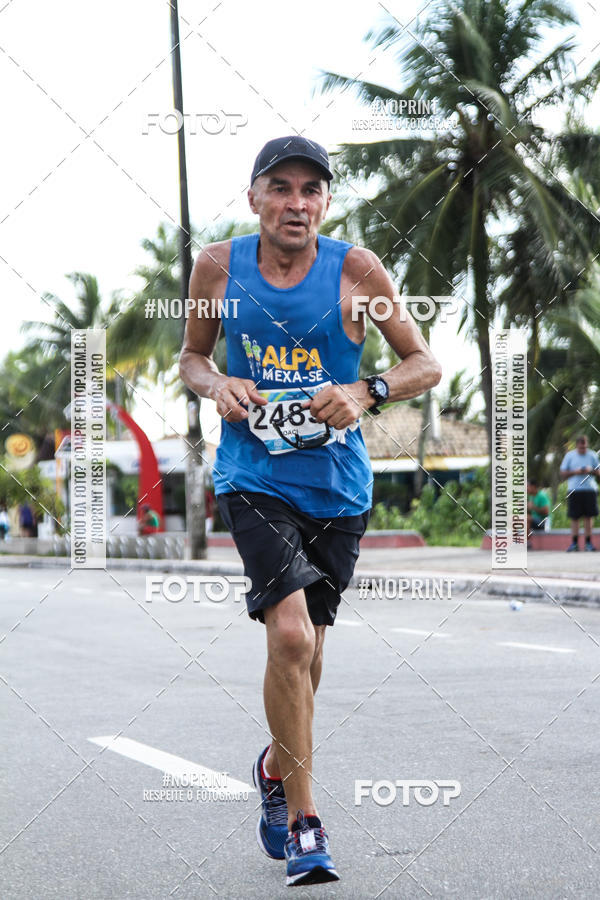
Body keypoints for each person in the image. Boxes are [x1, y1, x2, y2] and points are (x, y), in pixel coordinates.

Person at [179, 135, 441, 887]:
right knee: (289, 638)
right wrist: (215, 385)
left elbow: (424, 362)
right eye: (282, 188)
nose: (298, 203)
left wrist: (366, 392)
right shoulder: (217, 267)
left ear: (325, 202)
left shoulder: (355, 269)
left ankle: (272, 766)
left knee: (310, 655)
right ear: (254, 196)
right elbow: (194, 356)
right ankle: (304, 822)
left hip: (338, 489)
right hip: (252, 476)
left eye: (311, 191)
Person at [559, 435, 600, 552]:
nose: (583, 449)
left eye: (585, 447)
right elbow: (563, 473)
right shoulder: (569, 456)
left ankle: (588, 543)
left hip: (590, 490)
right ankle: (574, 543)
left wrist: (590, 470)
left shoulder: (592, 455)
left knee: (589, 517)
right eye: (581, 447)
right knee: (574, 517)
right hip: (574, 490)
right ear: (577, 445)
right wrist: (575, 471)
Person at [527, 478, 550, 546]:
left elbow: (546, 512)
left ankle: (527, 542)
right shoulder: (531, 496)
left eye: (527, 486)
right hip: (534, 521)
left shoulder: (542, 496)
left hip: (543, 522)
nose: (526, 488)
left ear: (533, 486)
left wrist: (533, 507)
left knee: (526, 518)